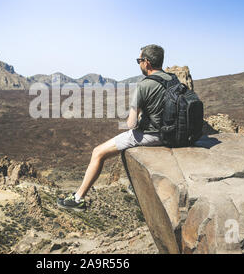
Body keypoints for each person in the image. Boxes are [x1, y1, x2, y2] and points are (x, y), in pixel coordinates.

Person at [56, 44, 172, 211]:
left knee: (98, 152)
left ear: (146, 62)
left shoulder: (145, 85)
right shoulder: (172, 79)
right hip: (173, 133)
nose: (139, 64)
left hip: (153, 135)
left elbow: (131, 124)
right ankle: (135, 185)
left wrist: (135, 120)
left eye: (139, 60)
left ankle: (78, 198)